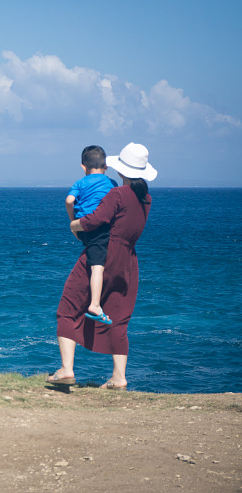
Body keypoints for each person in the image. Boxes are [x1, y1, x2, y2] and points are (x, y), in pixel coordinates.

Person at [47, 142, 157, 390]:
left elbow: (96, 220)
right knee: (118, 317)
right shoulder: (146, 198)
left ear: (121, 171)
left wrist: (73, 225)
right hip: (128, 261)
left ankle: (66, 369)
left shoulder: (117, 194)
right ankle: (119, 377)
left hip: (103, 255)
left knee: (68, 306)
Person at [66, 146, 117, 325]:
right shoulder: (111, 183)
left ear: (83, 167)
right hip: (100, 229)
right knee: (98, 267)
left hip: (83, 228)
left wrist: (73, 222)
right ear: (106, 167)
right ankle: (95, 304)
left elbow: (69, 200)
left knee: (92, 258)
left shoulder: (79, 183)